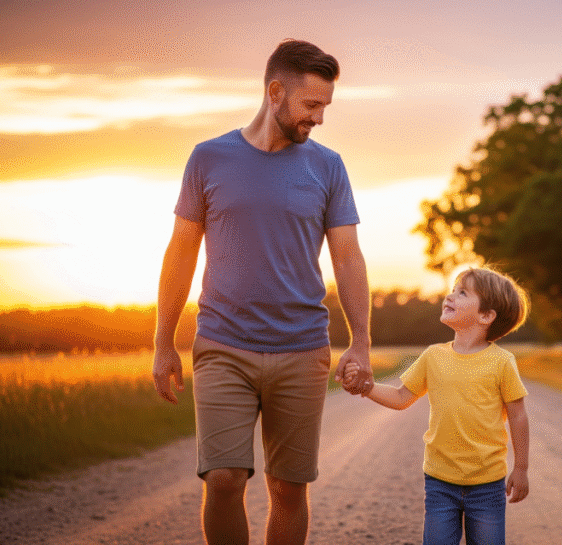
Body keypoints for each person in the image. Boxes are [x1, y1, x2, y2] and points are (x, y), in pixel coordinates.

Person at [152, 38, 374, 545]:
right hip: (222, 346)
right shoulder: (208, 158)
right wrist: (164, 341)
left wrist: (360, 340)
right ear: (275, 92)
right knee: (225, 479)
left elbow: (348, 257)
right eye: (311, 105)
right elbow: (180, 252)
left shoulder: (328, 167)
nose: (318, 118)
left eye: (325, 107)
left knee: (289, 489)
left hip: (302, 349)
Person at [344, 266, 531, 545]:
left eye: (463, 292)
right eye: (454, 289)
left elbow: (518, 416)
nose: (450, 296)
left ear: (486, 316)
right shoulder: (433, 356)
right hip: (440, 480)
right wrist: (366, 387)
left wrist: (521, 469)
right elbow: (401, 397)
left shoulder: (502, 362)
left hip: (488, 484)